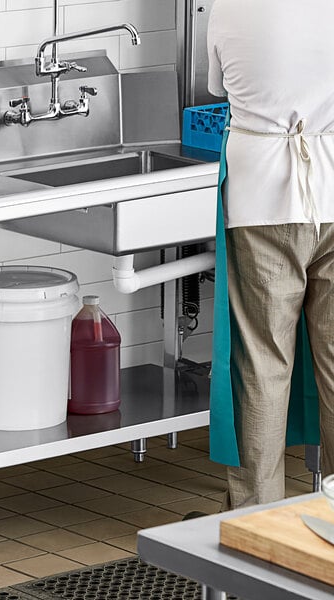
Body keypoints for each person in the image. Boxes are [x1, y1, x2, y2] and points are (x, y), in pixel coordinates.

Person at [206, 0, 334, 509]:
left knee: (262, 365)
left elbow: (217, 88)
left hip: (260, 200)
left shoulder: (227, 9)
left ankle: (257, 525)